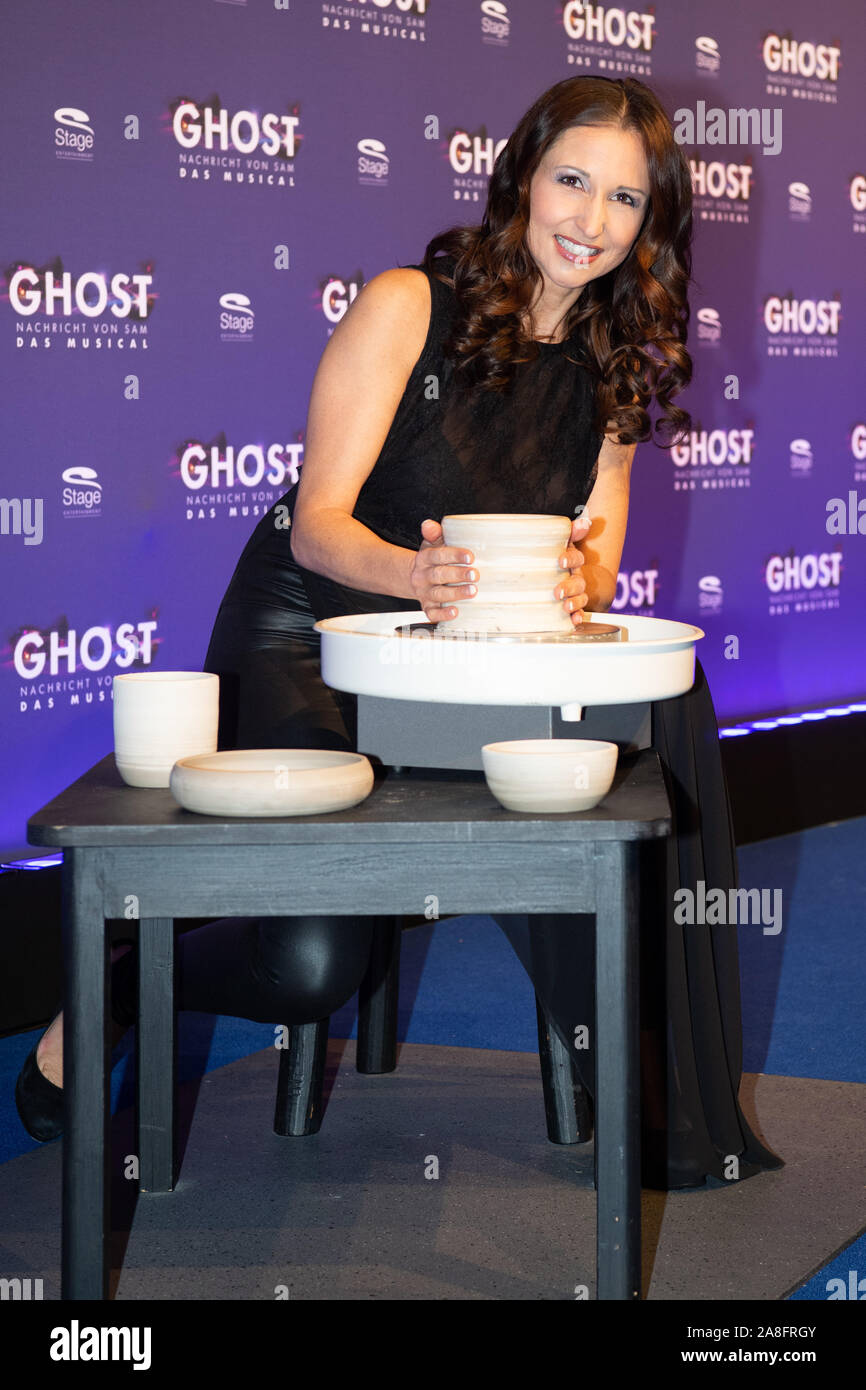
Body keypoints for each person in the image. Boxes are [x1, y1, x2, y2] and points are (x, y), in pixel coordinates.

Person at [17, 74, 783, 1192]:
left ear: (650, 221)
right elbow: (321, 525)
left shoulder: (619, 369)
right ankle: (123, 978)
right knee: (309, 962)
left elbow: (596, 557)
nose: (588, 219)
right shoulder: (404, 303)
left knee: (635, 755)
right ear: (521, 174)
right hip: (309, 631)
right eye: (570, 180)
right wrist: (416, 579)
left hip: (463, 659)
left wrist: (567, 586)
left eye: (623, 199)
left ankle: (627, 1061)